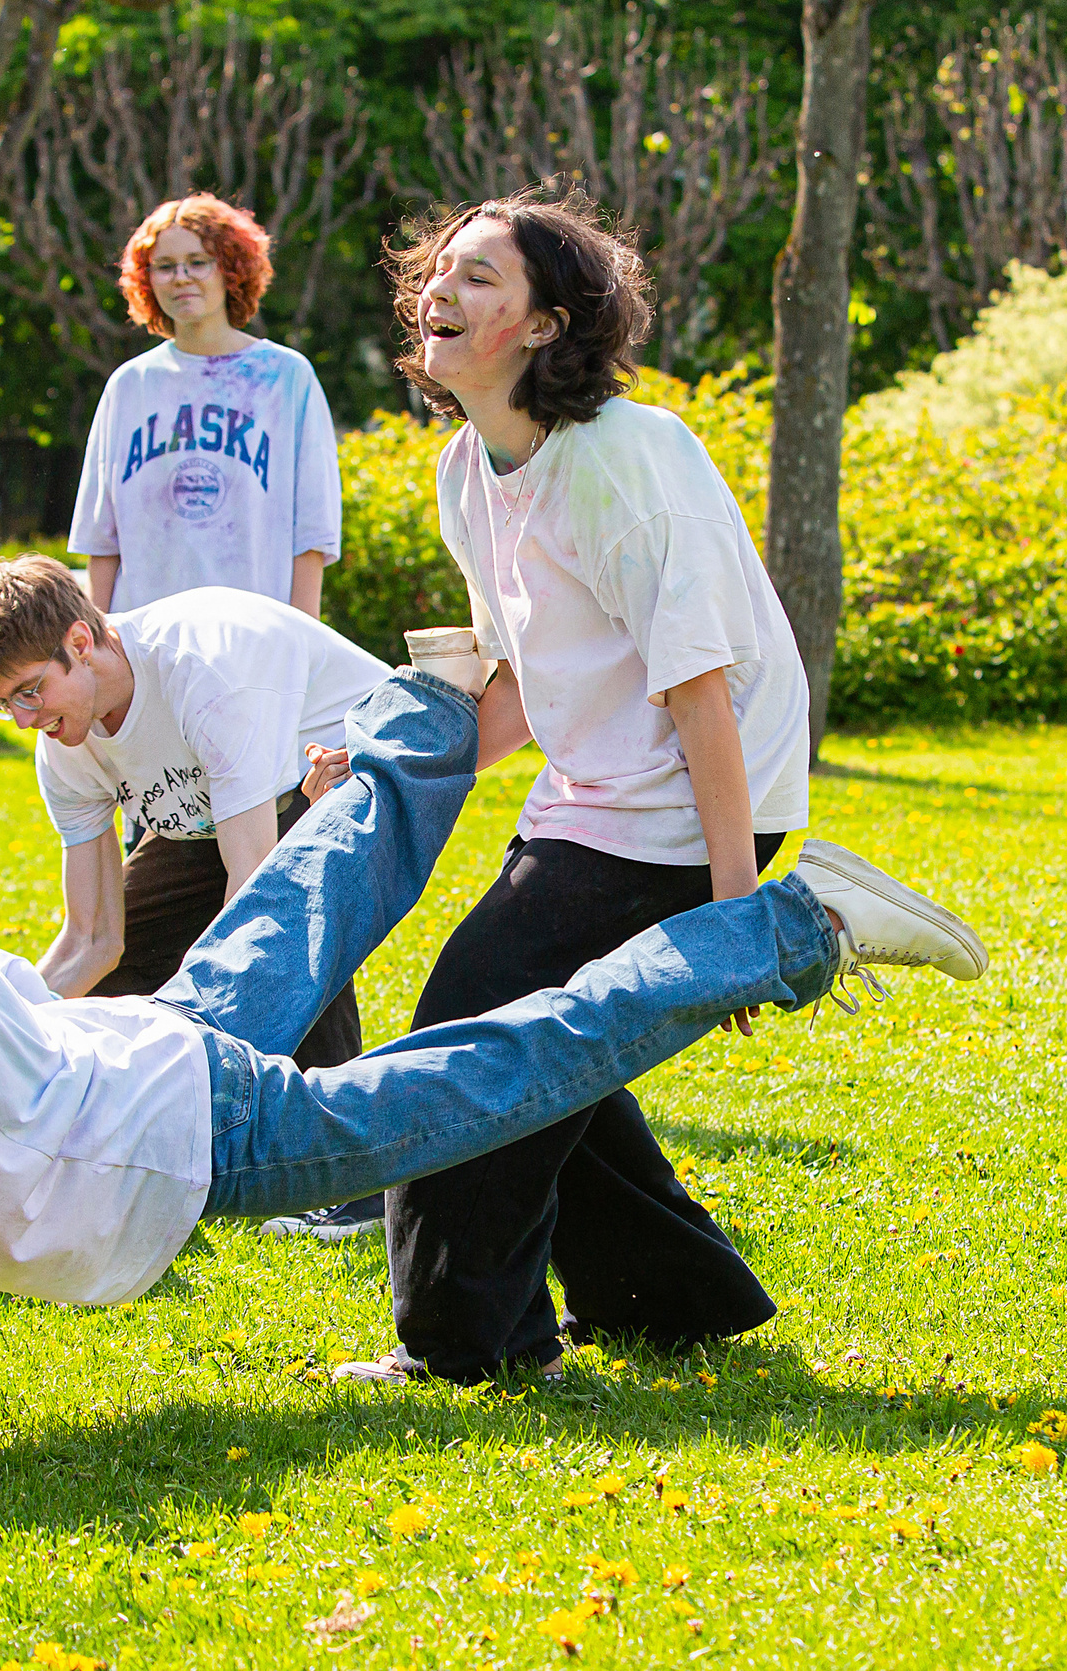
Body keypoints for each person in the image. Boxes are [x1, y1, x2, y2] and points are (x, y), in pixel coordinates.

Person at [0, 668, 986, 1472]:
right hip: (137, 1067)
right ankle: (427, 706)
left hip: (197, 1125)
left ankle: (801, 922)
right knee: (303, 900)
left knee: (517, 1059)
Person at [333, 186, 821, 1388]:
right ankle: (675, 1303)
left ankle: (469, 1347)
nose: (441, 288)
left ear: (547, 325)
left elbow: (696, 685)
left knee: (463, 1040)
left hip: (692, 800)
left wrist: (729, 916)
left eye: (480, 277)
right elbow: (527, 677)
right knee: (558, 1047)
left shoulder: (620, 461)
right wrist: (396, 763)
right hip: (593, 792)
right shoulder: (468, 469)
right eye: (440, 271)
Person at [0, 554, 393, 1241]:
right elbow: (93, 939)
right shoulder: (65, 743)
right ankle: (104, 1151)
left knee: (292, 915)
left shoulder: (202, 671)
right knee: (116, 980)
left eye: (31, 691)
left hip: (362, 766)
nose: (25, 718)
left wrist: (185, 1074)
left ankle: (353, 1181)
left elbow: (256, 904)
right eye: (4, 704)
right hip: (223, 813)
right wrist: (0, 1031)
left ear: (80, 642)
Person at [68, 194, 341, 619]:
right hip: (144, 641)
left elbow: (312, 534)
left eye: (198, 262)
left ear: (232, 269)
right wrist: (97, 647)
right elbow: (102, 540)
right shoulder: (130, 386)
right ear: (147, 281)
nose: (181, 278)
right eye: (164, 266)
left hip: (252, 636)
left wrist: (300, 642)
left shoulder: (285, 378)